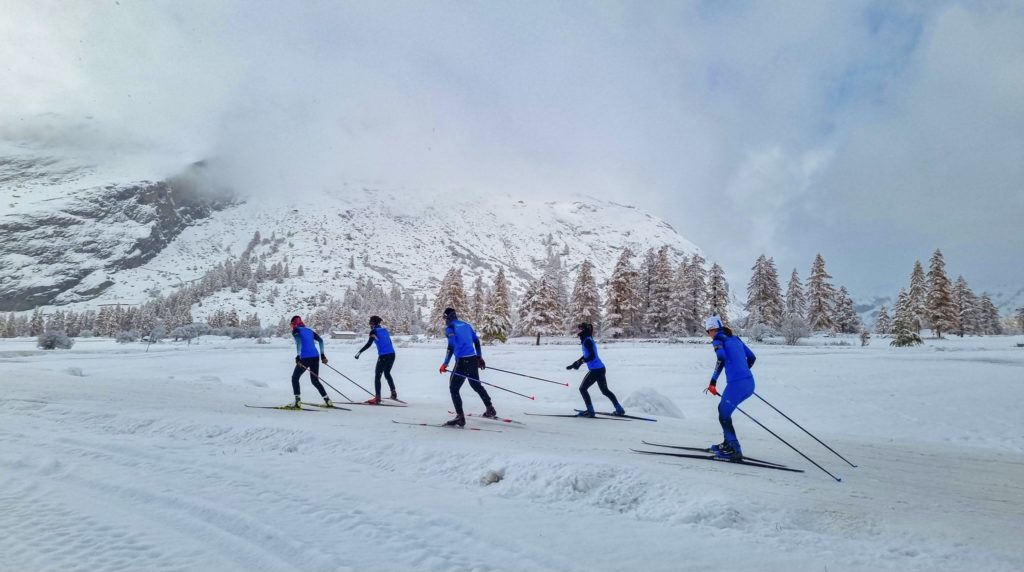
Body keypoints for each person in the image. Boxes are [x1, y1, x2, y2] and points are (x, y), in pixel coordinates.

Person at [703, 316, 756, 460]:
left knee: (724, 413)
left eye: (709, 331)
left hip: (736, 385)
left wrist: (713, 382)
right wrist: (742, 372)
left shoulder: (718, 340)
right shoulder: (735, 339)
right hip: (750, 383)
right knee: (723, 410)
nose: (709, 334)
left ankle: (734, 449)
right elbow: (752, 358)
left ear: (713, 329)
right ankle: (727, 443)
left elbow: (721, 358)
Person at [439, 307, 495, 427]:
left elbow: (451, 346)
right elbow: (476, 341)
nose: (444, 321)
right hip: (473, 359)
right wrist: (479, 357)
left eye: (444, 318)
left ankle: (460, 417)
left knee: (453, 388)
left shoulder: (450, 328)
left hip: (462, 362)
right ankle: (490, 408)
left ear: (448, 317)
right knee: (476, 385)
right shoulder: (466, 325)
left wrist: (445, 363)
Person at [566, 322, 625, 417]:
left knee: (582, 389)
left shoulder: (587, 341)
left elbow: (592, 356)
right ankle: (619, 409)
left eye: (579, 329)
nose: (577, 331)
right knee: (605, 391)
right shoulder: (587, 339)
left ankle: (590, 411)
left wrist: (580, 362)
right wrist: (576, 363)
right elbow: (587, 355)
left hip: (596, 370)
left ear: (584, 330)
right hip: (601, 368)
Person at [289, 315, 332, 409]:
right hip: (315, 357)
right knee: (315, 380)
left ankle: (297, 402)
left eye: (291, 324)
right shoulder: (309, 330)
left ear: (294, 324)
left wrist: (298, 356)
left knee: (295, 378)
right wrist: (323, 355)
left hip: (305, 358)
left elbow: (299, 342)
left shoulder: (296, 330)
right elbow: (320, 340)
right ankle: (328, 400)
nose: (291, 327)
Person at [354, 315, 398, 404]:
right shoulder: (385, 330)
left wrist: (359, 352)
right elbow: (389, 342)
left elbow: (369, 344)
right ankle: (393, 393)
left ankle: (377, 398)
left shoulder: (373, 331)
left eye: (370, 323)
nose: (369, 325)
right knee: (387, 373)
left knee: (377, 376)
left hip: (384, 356)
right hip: (392, 354)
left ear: (373, 323)